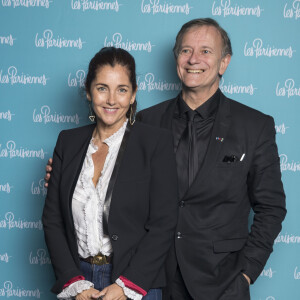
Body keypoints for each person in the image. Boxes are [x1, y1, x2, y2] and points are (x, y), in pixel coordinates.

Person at [45, 18, 286, 300]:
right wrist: (65, 176)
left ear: (224, 62)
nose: (194, 59)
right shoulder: (145, 122)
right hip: (153, 278)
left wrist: (245, 272)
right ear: (176, 58)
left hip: (221, 280)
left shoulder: (254, 126)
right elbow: (106, 181)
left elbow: (271, 207)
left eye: (206, 51)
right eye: (185, 51)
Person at [42, 47, 178, 300]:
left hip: (135, 282)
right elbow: (52, 220)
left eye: (122, 89)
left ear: (134, 94)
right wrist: (74, 282)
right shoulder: (68, 142)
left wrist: (127, 285)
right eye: (102, 88)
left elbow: (164, 223)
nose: (112, 99)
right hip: (80, 280)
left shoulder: (155, 143)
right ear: (88, 91)